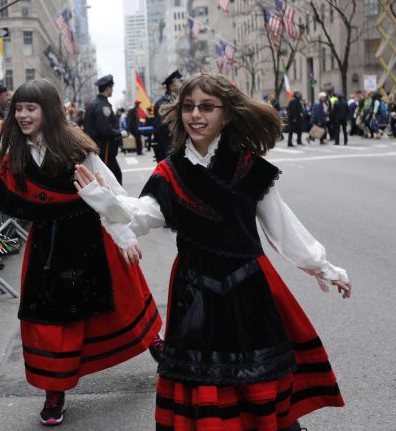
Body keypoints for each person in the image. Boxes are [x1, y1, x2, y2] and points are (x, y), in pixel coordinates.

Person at [74, 72, 351, 431]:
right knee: (202, 380)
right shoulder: (170, 171)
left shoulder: (248, 165)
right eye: (189, 107)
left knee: (256, 375)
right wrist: (105, 201)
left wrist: (323, 266)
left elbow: (282, 226)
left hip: (249, 285)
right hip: (195, 290)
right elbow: (143, 217)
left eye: (206, 107)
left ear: (226, 113)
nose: (196, 115)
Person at [0, 79, 161, 426]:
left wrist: (124, 236)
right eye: (18, 108)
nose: (22, 115)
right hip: (47, 250)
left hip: (91, 239)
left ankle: (157, 346)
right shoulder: (14, 155)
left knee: (125, 302)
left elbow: (110, 193)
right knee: (51, 322)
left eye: (30, 108)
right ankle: (55, 392)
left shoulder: (79, 148)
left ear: (47, 110)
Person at [84, 74, 124, 184]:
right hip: (103, 148)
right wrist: (120, 133)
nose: (112, 90)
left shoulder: (95, 103)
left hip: (97, 148)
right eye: (112, 87)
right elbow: (105, 130)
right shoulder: (102, 106)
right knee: (113, 178)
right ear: (107, 88)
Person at [151, 70, 181, 162]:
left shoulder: (179, 99)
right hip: (169, 146)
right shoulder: (164, 104)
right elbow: (160, 129)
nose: (182, 84)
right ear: (172, 86)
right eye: (180, 82)